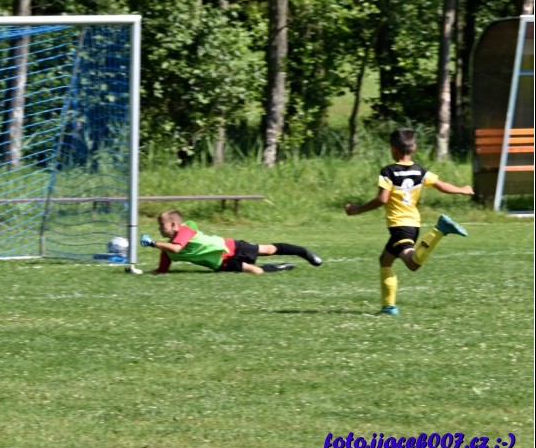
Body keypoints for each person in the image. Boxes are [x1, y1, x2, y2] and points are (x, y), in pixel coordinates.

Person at [344, 127, 474, 316]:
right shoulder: (419, 171)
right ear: (413, 148)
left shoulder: (388, 172)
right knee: (385, 260)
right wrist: (462, 189)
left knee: (412, 263)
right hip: (413, 223)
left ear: (393, 149)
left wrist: (357, 210)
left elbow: (382, 199)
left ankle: (440, 230)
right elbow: (441, 186)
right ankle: (389, 307)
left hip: (399, 225)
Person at [138, 209, 323, 274]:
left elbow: (177, 249)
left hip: (230, 247)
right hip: (222, 262)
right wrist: (143, 274)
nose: (159, 229)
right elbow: (162, 270)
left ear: (174, 225)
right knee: (255, 271)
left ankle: (303, 252)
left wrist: (153, 243)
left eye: (161, 226)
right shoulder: (166, 248)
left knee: (267, 249)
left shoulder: (186, 230)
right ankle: (280, 267)